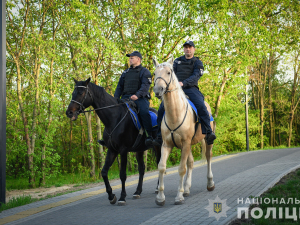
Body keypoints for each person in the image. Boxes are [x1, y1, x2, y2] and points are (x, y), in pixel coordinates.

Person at [153, 40, 217, 146]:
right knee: (161, 109)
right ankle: (159, 136)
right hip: (175, 90)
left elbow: (196, 76)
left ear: (193, 49)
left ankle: (209, 132)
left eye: (190, 47)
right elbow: (170, 74)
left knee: (201, 106)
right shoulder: (177, 61)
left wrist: (183, 83)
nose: (188, 49)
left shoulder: (197, 62)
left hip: (191, 89)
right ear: (184, 49)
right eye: (186, 47)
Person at [114, 51, 154, 146]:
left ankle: (149, 135)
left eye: (132, 58)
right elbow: (119, 86)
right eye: (129, 58)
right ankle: (109, 137)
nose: (130, 59)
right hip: (125, 97)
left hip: (140, 98)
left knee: (144, 112)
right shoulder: (125, 72)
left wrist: (137, 95)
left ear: (138, 59)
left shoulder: (145, 71)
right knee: (113, 112)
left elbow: (145, 86)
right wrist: (115, 99)